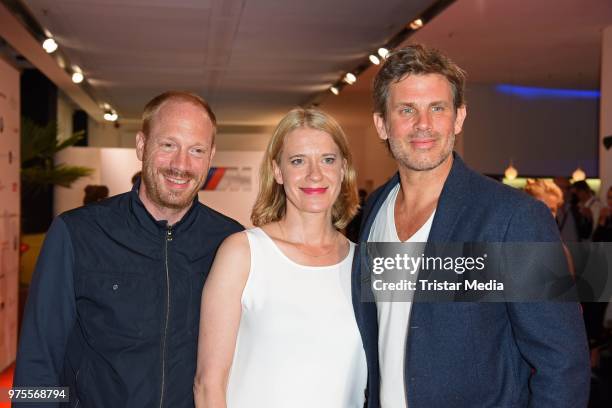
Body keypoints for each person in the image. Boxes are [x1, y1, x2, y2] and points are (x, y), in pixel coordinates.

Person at [353, 44, 590, 407]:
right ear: (382, 124)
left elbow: (562, 362)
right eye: (406, 110)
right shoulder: (375, 208)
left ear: (459, 118)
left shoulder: (514, 218)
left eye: (437, 108)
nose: (423, 125)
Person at [14, 91, 243, 407]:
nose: (181, 164)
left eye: (197, 150)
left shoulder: (231, 243)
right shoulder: (77, 232)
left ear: (211, 156)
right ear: (141, 145)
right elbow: (37, 358)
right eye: (168, 145)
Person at [194, 108, 367, 407]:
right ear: (277, 171)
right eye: (298, 161)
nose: (315, 174)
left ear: (343, 169)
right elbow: (208, 384)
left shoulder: (364, 264)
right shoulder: (243, 253)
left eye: (327, 159)